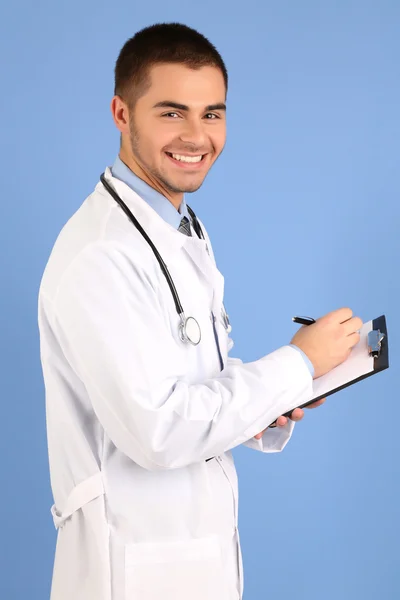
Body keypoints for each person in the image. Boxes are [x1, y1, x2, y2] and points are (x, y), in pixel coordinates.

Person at [38, 22, 362, 600]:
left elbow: (189, 382)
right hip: (130, 568)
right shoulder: (100, 256)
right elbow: (158, 431)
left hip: (188, 559)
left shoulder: (177, 229)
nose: (196, 135)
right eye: (171, 112)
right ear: (121, 112)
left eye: (212, 114)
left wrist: (272, 399)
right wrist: (294, 365)